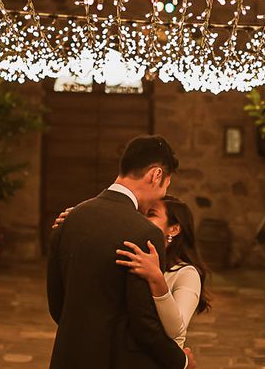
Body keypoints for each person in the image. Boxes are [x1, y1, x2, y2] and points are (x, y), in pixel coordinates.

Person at [46, 135, 196, 369]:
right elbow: (144, 324)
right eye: (166, 184)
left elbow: (58, 307)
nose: (163, 193)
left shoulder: (68, 220)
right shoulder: (144, 233)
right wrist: (182, 362)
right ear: (155, 175)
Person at [116, 195, 211, 348]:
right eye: (140, 214)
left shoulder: (186, 274)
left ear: (174, 229)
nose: (141, 219)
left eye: (151, 214)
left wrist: (157, 280)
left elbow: (176, 330)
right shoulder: (132, 259)